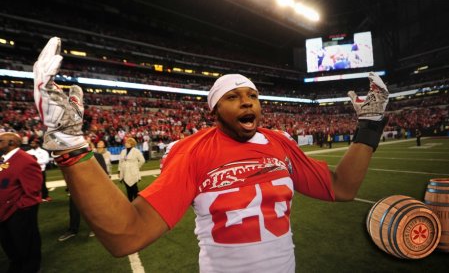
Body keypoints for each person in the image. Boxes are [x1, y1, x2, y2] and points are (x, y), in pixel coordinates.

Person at [32, 37, 389, 272]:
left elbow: (341, 187)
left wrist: (370, 125)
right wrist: (70, 144)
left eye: (252, 95)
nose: (246, 101)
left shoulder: (280, 143)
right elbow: (128, 235)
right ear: (214, 111)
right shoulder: (192, 151)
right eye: (233, 97)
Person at [0, 132, 43, 272]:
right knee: (9, 244)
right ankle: (17, 263)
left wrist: (18, 208)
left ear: (11, 143)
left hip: (17, 213)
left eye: (1, 141)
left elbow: (33, 192)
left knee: (25, 243)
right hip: (4, 212)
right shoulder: (5, 159)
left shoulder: (25, 160)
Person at [58, 152, 108, 241]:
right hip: (76, 188)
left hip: (92, 187)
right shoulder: (71, 157)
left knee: (93, 210)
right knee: (73, 210)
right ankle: (72, 230)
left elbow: (103, 172)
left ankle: (96, 229)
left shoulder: (96, 155)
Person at [27, 138, 52, 202]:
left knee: (42, 184)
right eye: (31, 143)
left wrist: (34, 163)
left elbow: (46, 160)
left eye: (33, 143)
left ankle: (45, 196)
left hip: (41, 170)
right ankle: (34, 197)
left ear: (38, 144)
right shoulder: (28, 152)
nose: (31, 144)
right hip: (31, 171)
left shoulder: (43, 152)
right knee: (32, 185)